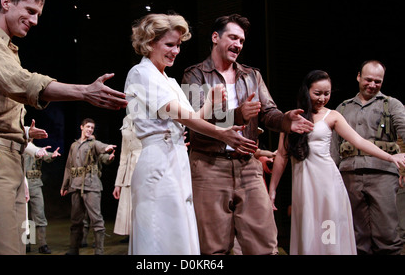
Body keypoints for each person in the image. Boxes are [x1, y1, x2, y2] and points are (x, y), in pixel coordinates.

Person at [0, 0, 127, 255]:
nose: (35, 21)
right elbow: (20, 82)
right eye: (30, 11)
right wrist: (84, 91)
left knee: (11, 249)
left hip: (9, 158)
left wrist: (22, 132)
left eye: (38, 15)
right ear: (6, 2)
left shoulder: (5, 50)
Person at [125, 13, 258, 255]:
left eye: (178, 45)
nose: (175, 51)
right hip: (157, 162)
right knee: (158, 235)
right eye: (169, 44)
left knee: (179, 234)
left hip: (177, 160)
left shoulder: (170, 80)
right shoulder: (140, 73)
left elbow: (191, 118)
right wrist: (222, 134)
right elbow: (182, 116)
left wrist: (210, 101)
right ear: (149, 43)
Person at [181, 14, 314, 255]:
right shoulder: (194, 75)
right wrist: (239, 115)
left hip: (248, 166)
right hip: (208, 166)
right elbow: (195, 119)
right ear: (215, 37)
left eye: (241, 40)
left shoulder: (252, 75)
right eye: (233, 37)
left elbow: (268, 112)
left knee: (264, 242)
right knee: (212, 247)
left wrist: (285, 120)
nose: (238, 44)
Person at [331, 60, 405, 255]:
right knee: (356, 236)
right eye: (368, 80)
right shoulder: (343, 108)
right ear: (358, 77)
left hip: (382, 175)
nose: (372, 85)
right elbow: (333, 148)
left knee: (387, 234)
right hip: (349, 176)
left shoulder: (391, 105)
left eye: (378, 81)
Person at [60, 118, 116, 255]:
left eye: (92, 128)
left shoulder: (93, 143)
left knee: (96, 219)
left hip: (92, 186)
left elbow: (101, 147)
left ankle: (99, 251)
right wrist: (65, 185)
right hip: (75, 186)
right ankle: (73, 249)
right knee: (75, 220)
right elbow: (68, 167)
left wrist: (107, 148)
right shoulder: (74, 146)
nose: (90, 129)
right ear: (82, 127)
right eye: (88, 127)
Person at [24, 140, 61, 254]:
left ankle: (42, 244)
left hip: (35, 184)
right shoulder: (19, 149)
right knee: (23, 216)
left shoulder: (37, 149)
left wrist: (52, 155)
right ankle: (25, 243)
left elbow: (46, 155)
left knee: (39, 214)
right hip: (22, 185)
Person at [112, 114, 142, 239]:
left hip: (144, 165)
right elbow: (123, 155)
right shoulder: (127, 119)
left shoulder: (151, 116)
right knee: (129, 216)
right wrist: (118, 183)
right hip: (129, 172)